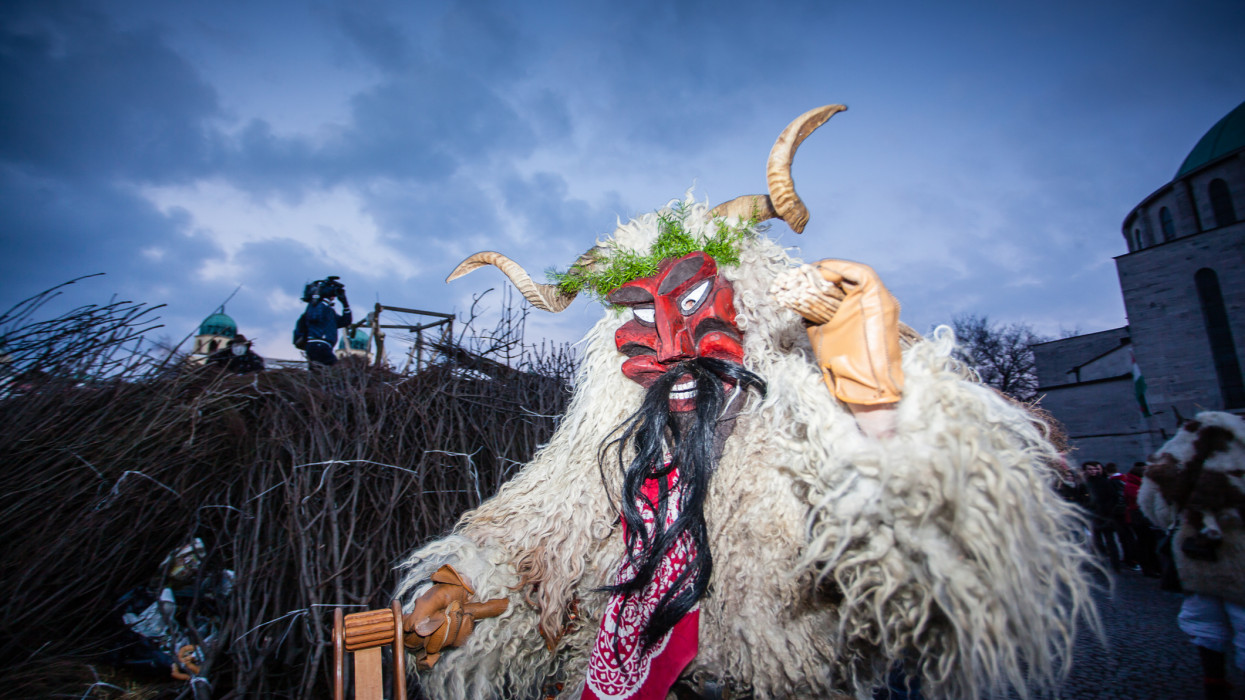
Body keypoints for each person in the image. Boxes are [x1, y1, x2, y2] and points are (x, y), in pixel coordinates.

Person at [1139, 412, 1245, 700]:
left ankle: (1215, 683)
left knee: (1204, 619)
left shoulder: (1172, 457)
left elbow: (1151, 506)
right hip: (1235, 549)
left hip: (1195, 551)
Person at [293, 277, 352, 367]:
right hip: (318, 344)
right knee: (336, 370)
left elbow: (345, 321)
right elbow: (315, 317)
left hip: (324, 346)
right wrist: (323, 298)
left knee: (319, 373)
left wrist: (345, 303)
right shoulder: (315, 307)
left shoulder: (329, 311)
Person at [1083, 460, 1125, 572]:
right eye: (1090, 469)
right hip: (1094, 516)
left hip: (1105, 516)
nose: (1093, 471)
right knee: (1098, 542)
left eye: (1095, 469)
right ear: (1086, 471)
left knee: (1110, 541)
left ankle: (1115, 565)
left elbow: (1113, 498)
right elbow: (1082, 499)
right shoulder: (1085, 484)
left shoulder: (1105, 482)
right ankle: (1102, 566)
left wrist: (1107, 510)